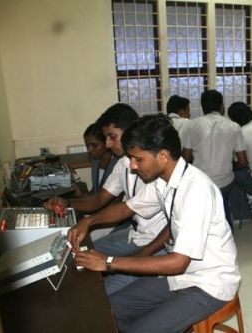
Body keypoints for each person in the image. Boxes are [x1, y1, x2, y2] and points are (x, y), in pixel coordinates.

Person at [74, 114, 241, 333]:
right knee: (110, 308)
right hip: (184, 276)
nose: (132, 166)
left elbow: (177, 263)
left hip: (209, 283)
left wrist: (108, 262)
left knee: (140, 330)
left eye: (138, 159)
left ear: (162, 155)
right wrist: (88, 220)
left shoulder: (195, 189)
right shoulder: (162, 182)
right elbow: (127, 207)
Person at [45, 103, 167, 295]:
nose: (108, 144)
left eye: (112, 137)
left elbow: (126, 209)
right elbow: (100, 198)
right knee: (80, 256)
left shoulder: (154, 169)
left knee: (102, 293)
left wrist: (121, 262)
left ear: (131, 131)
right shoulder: (123, 164)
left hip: (156, 246)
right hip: (136, 235)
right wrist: (68, 203)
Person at [182, 90, 247, 227]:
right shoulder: (234, 127)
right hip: (224, 182)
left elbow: (186, 157)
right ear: (222, 106)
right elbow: (242, 162)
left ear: (202, 106)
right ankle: (226, 225)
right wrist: (227, 164)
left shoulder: (192, 125)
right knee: (223, 201)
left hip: (200, 182)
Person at [83, 123, 118, 194]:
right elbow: (95, 190)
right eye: (87, 146)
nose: (89, 150)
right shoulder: (95, 161)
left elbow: (115, 198)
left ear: (106, 142)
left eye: (94, 145)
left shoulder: (117, 163)